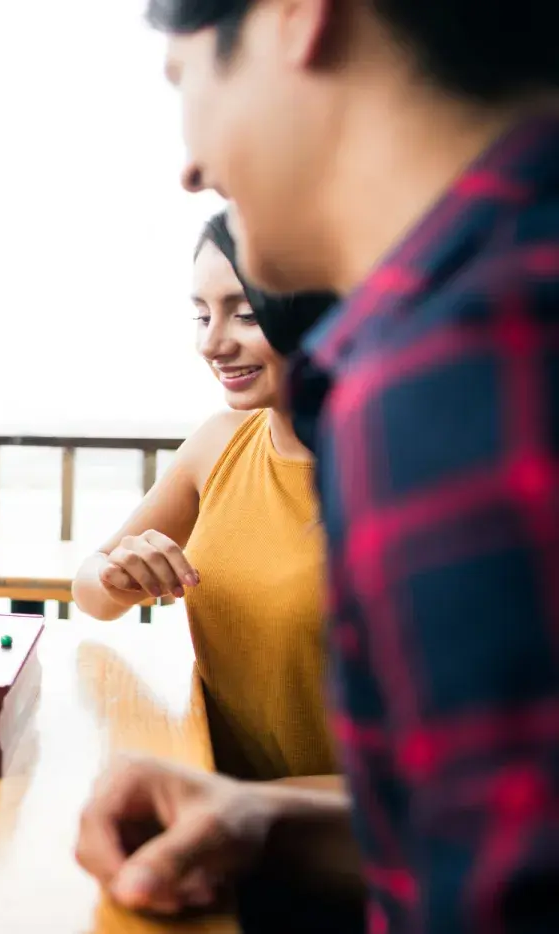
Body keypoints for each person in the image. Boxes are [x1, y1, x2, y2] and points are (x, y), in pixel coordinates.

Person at [75, 1, 559, 931]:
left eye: (188, 82)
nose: (191, 166)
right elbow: (480, 832)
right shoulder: (435, 337)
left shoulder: (461, 364)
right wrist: (261, 818)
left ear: (296, 17)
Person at [73, 211, 339, 783]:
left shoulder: (395, 479)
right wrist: (119, 575)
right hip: (218, 812)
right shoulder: (219, 442)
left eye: (245, 314)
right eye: (201, 314)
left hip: (333, 846)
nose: (211, 343)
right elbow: (89, 590)